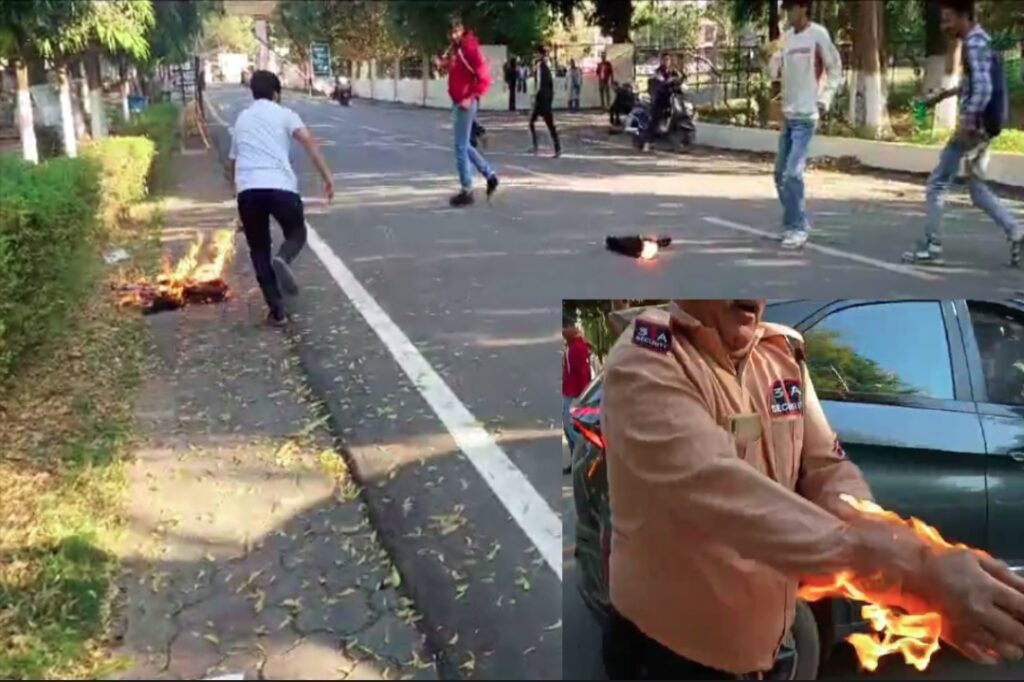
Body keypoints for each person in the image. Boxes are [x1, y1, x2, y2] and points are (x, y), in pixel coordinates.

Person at [600, 300, 1024, 679]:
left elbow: (825, 467)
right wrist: (911, 571)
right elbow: (720, 493)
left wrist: (884, 538)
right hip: (668, 659)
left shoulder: (781, 356)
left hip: (769, 653)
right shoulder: (648, 360)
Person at [902, 0, 1022, 267]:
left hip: (974, 127)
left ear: (963, 16)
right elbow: (973, 84)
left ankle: (931, 246)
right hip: (986, 126)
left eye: (948, 19)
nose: (944, 25)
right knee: (977, 189)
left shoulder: (974, 44)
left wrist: (967, 123)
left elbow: (983, 89)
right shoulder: (981, 40)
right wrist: (943, 95)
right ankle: (1016, 231)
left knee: (937, 183)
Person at [226, 70, 334, 327]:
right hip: (281, 187)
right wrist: (327, 177)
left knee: (259, 251)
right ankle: (284, 258)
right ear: (276, 93)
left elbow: (233, 163)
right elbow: (309, 143)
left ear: (253, 92)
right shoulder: (285, 114)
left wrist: (238, 200)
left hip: (249, 191)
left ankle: (277, 312)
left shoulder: (241, 119)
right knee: (297, 232)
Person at [767, 0, 842, 250]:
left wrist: (824, 100)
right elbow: (773, 73)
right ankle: (795, 222)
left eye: (790, 8)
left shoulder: (818, 35)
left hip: (807, 116)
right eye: (785, 9)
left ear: (803, 8)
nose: (787, 13)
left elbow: (834, 69)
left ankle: (797, 228)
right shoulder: (786, 38)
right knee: (779, 174)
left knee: (793, 173)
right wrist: (769, 56)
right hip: (788, 116)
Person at [436, 16, 499, 207]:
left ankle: (467, 190)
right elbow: (458, 68)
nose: (453, 35)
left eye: (456, 31)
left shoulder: (468, 49)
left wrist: (469, 98)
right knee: (464, 145)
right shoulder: (457, 50)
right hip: (458, 102)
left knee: (460, 147)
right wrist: (443, 64)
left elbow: (484, 79)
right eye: (451, 33)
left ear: (462, 30)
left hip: (465, 103)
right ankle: (490, 175)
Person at [562, 315, 592, 473]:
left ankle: (585, 459)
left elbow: (583, 374)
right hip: (568, 393)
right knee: (568, 429)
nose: (562, 332)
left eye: (564, 328)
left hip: (575, 395)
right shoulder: (571, 345)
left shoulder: (578, 347)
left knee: (573, 429)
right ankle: (576, 461)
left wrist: (583, 398)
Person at [641, 52, 682, 153]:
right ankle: (647, 142)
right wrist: (666, 82)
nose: (666, 62)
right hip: (659, 99)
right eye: (664, 60)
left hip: (671, 99)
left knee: (677, 117)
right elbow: (658, 82)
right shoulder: (658, 72)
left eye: (668, 60)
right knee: (655, 120)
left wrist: (681, 81)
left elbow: (680, 79)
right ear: (661, 61)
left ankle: (677, 142)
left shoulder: (673, 72)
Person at [530, 45, 561, 158]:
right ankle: (538, 146)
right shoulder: (544, 66)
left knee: (548, 124)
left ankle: (555, 148)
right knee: (535, 123)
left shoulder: (541, 66)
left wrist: (536, 95)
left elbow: (540, 84)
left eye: (537, 53)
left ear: (540, 54)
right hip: (544, 99)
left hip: (542, 99)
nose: (536, 55)